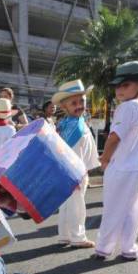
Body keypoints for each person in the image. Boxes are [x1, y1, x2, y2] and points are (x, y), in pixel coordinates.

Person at [93, 62, 138, 262]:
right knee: (132, 210)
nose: (119, 90)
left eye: (125, 85)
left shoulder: (126, 107)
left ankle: (103, 249)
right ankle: (129, 249)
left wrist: (104, 159)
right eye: (118, 85)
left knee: (112, 209)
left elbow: (114, 138)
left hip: (120, 167)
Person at [52, 79, 100, 248]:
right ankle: (78, 237)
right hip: (75, 172)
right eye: (74, 103)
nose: (79, 105)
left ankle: (64, 235)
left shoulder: (67, 123)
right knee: (77, 206)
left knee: (67, 205)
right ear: (64, 107)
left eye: (82, 101)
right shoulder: (74, 127)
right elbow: (71, 154)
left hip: (68, 172)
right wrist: (77, 174)